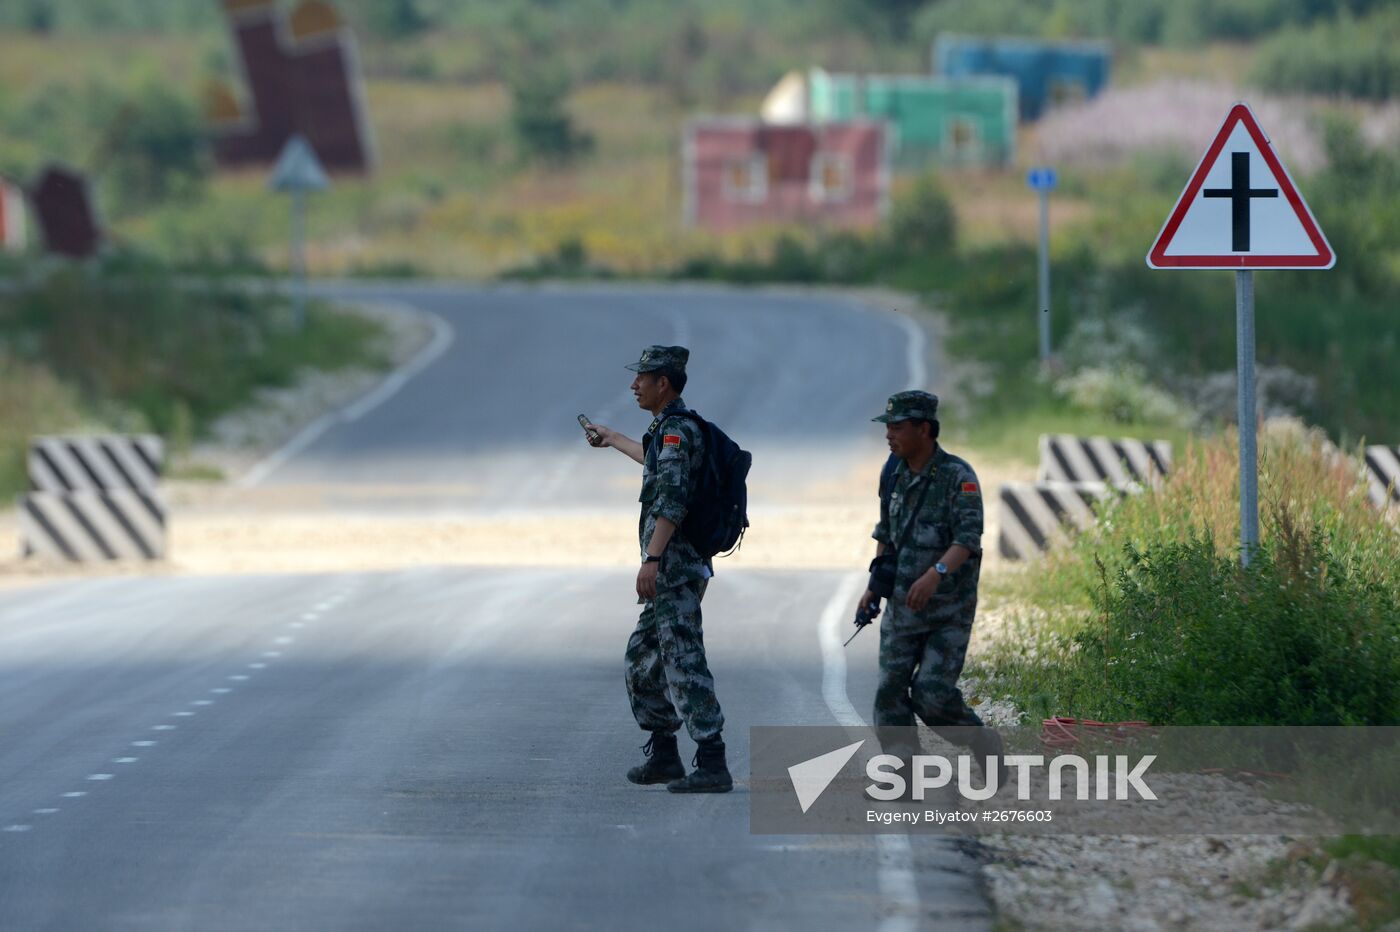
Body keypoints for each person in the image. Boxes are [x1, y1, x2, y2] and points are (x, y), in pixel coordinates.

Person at [583, 345, 732, 794]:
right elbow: (652, 463)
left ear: (662, 383)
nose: (634, 385)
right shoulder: (667, 430)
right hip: (672, 566)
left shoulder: (677, 432)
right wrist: (611, 438)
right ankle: (665, 753)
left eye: (641, 378)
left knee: (682, 660)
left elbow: (672, 499)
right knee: (642, 660)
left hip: (674, 566)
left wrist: (652, 559)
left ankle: (712, 760)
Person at [862, 390, 1004, 786]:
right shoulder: (892, 473)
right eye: (887, 427)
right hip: (902, 607)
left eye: (898, 427)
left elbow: (969, 539)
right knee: (890, 692)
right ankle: (904, 776)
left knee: (931, 696)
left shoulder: (959, 477)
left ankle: (981, 741)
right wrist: (875, 585)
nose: (889, 435)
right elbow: (886, 533)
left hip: (948, 610)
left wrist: (935, 573)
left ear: (924, 429)